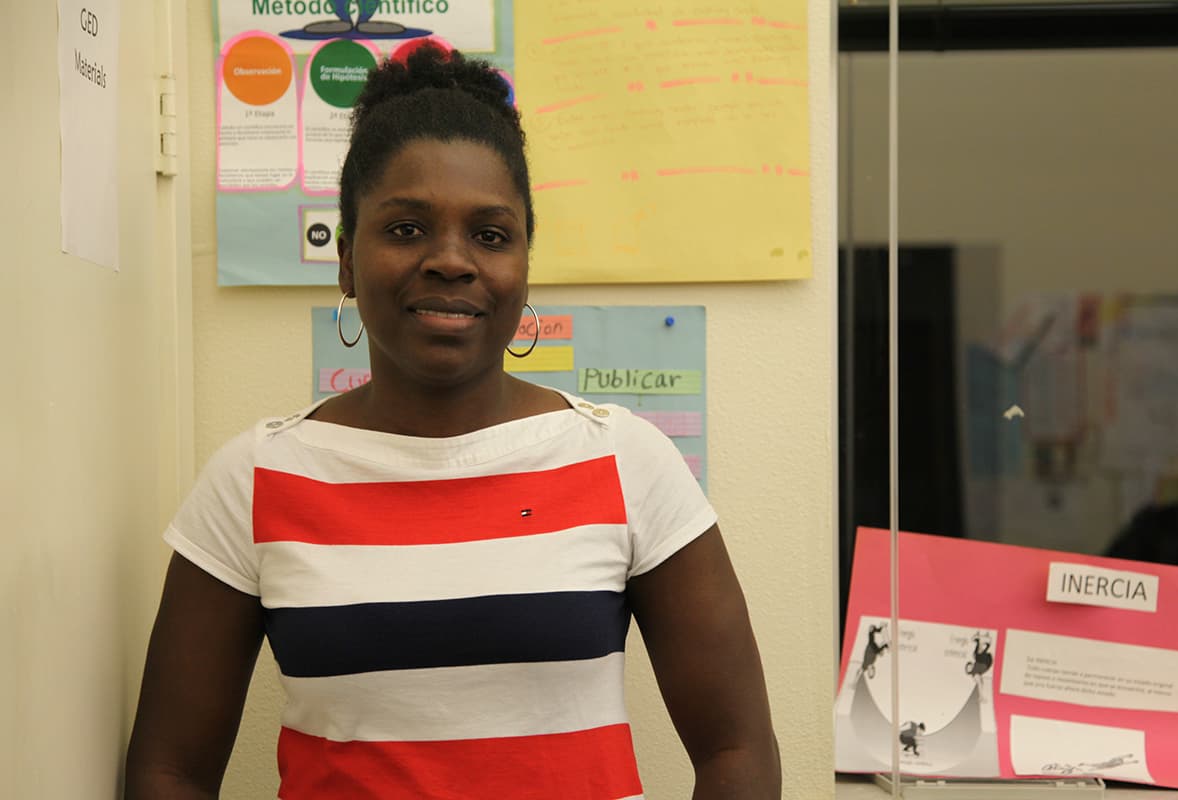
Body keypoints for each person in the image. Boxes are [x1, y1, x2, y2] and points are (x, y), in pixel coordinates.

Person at [125, 46, 779, 799]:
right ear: (345, 260)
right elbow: (169, 770)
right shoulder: (254, 479)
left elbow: (737, 751)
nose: (451, 261)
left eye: (491, 235)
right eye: (405, 229)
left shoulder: (627, 461)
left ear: (524, 264)